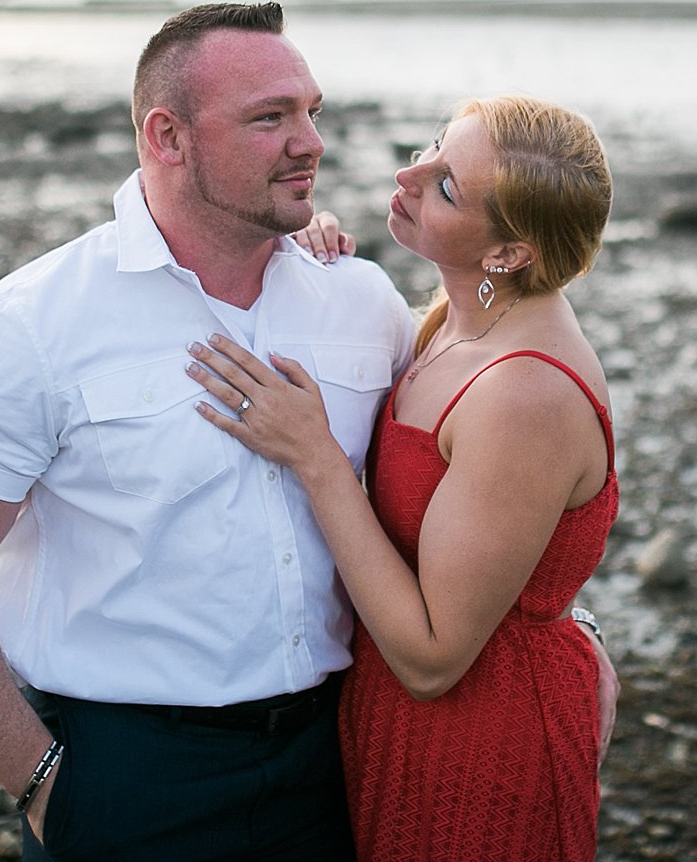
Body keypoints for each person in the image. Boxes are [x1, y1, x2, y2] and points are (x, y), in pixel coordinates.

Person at [0, 2, 417, 860]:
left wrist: (566, 634)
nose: (310, 142)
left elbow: (455, 495)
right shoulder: (28, 326)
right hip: (130, 781)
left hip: (338, 758)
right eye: (270, 117)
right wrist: (43, 782)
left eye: (312, 111)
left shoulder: (362, 302)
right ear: (168, 137)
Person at [186, 93, 619, 861]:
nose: (407, 173)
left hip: (481, 752)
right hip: (389, 727)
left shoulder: (525, 392)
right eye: (431, 147)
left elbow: (430, 657)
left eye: (447, 184)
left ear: (509, 254)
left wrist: (315, 458)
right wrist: (300, 259)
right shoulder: (459, 316)